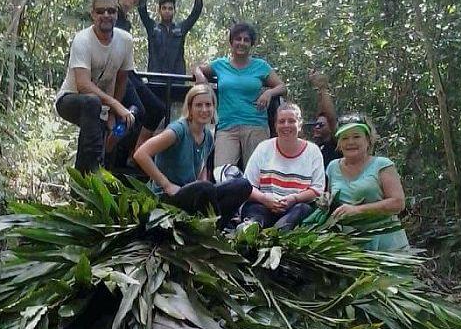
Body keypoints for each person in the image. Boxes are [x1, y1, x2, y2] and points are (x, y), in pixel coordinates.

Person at [133, 84, 252, 225]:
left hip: (193, 195)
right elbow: (140, 154)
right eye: (199, 105)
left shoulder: (208, 135)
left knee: (243, 185)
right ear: (190, 108)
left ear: (214, 108)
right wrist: (166, 184)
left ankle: (217, 223)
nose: (204, 110)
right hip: (168, 197)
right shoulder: (178, 130)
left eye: (208, 105)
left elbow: (202, 169)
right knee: (204, 187)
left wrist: (204, 187)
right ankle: (215, 226)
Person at [55, 0, 135, 174]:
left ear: (117, 13)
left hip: (101, 106)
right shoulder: (82, 40)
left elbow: (122, 79)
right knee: (92, 104)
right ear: (92, 14)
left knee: (120, 126)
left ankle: (84, 189)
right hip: (71, 99)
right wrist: (114, 105)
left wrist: (115, 113)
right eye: (100, 11)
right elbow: (83, 85)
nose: (106, 15)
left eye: (111, 11)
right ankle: (94, 170)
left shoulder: (125, 40)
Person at [194, 22, 287, 168]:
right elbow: (198, 68)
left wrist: (269, 92)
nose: (242, 43)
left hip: (255, 126)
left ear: (251, 44)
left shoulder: (261, 66)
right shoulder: (220, 65)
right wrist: (201, 79)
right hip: (227, 127)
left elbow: (282, 87)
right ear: (231, 42)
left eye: (246, 40)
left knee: (258, 175)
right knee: (222, 174)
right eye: (238, 39)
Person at [326, 114, 409, 251]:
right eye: (345, 138)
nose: (350, 142)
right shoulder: (332, 167)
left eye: (356, 136)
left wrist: (357, 210)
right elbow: (331, 200)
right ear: (339, 143)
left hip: (386, 242)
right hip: (351, 245)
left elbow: (398, 203)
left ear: (368, 139)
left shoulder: (382, 165)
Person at [240, 103, 325, 231]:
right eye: (281, 121)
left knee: (303, 209)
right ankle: (249, 229)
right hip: (264, 204)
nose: (286, 125)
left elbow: (317, 189)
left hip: (294, 207)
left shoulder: (313, 151)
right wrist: (264, 199)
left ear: (300, 124)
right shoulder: (264, 148)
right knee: (255, 210)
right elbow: (247, 186)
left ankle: (280, 233)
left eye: (291, 121)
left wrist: (294, 199)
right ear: (275, 125)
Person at [113, 0, 165, 148]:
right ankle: (109, 144)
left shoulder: (125, 19)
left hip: (128, 73)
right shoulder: (111, 13)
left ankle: (137, 152)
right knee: (136, 110)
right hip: (115, 73)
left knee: (157, 108)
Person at [138, 0, 203, 75]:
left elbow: (195, 14)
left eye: (170, 8)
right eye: (164, 8)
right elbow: (142, 10)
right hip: (155, 79)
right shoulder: (152, 27)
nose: (167, 11)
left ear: (174, 11)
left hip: (177, 79)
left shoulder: (181, 28)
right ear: (159, 10)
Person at [308, 70, 338, 170]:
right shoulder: (315, 147)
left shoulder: (336, 144)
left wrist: (323, 89)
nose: (316, 127)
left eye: (321, 125)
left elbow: (330, 116)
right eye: (316, 125)